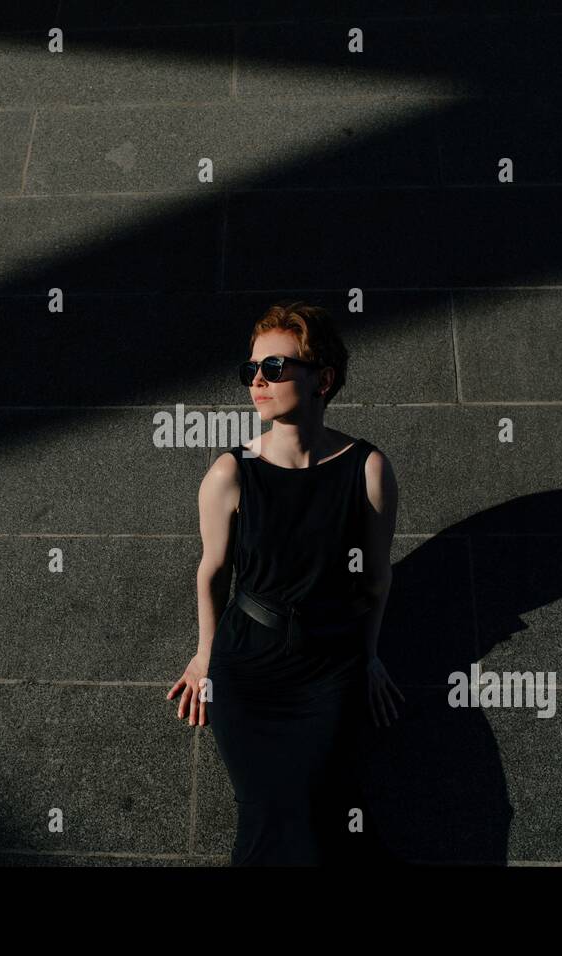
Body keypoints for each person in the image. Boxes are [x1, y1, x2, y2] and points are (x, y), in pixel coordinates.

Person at [167, 300, 406, 865]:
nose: (257, 381)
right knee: (268, 807)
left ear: (322, 378)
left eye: (275, 368)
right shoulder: (231, 473)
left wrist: (368, 657)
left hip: (328, 665)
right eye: (251, 369)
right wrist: (205, 656)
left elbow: (375, 577)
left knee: (315, 805)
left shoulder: (367, 469)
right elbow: (213, 571)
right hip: (246, 665)